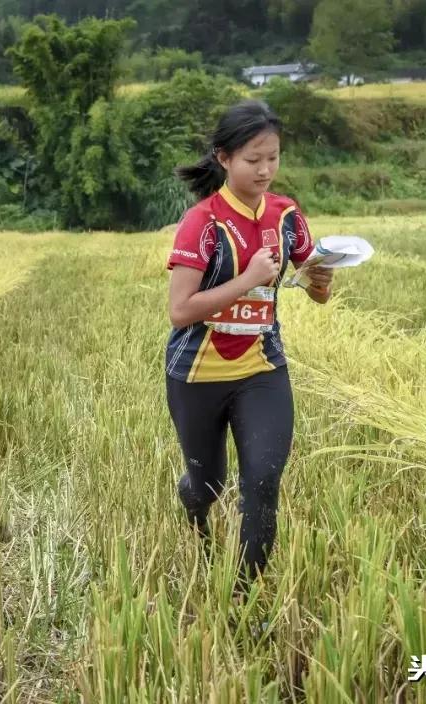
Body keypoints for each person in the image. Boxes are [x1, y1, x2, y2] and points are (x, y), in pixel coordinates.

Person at [166, 99, 334, 586]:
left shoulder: (286, 215)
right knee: (208, 485)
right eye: (252, 159)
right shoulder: (203, 223)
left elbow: (316, 289)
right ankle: (195, 508)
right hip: (198, 374)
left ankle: (245, 596)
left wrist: (321, 280)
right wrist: (249, 278)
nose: (265, 170)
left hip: (262, 369)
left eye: (273, 158)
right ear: (223, 157)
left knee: (262, 481)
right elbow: (180, 310)